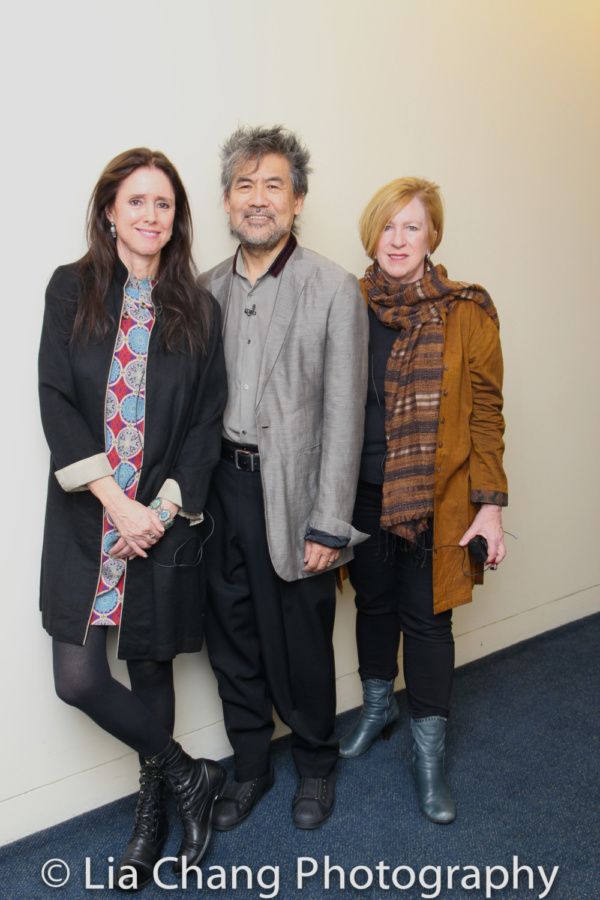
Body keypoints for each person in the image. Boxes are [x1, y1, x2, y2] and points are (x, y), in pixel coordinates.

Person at [38, 148, 227, 888]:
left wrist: (162, 508)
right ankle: (188, 776)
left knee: (149, 664)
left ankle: (151, 812)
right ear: (110, 211)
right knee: (79, 678)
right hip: (90, 516)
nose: (151, 216)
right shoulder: (70, 289)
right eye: (137, 201)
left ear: (176, 221)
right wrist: (115, 503)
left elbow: (207, 420)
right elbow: (55, 396)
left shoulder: (197, 309)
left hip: (161, 519)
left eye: (165, 205)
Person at [200, 125, 368, 830]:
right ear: (228, 201)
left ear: (298, 201)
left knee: (300, 646)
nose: (258, 198)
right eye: (245, 185)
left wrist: (330, 522)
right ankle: (248, 769)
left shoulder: (331, 288)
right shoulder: (203, 289)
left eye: (274, 185)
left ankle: (317, 767)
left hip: (296, 496)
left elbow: (344, 415)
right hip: (218, 492)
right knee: (231, 640)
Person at [339, 177, 508, 825]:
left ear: (432, 235)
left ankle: (428, 754)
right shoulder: (348, 304)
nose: (399, 239)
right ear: (371, 235)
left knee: (429, 619)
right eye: (388, 226)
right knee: (372, 603)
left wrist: (488, 504)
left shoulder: (468, 310)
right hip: (361, 492)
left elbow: (488, 413)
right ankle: (379, 708)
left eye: (412, 226)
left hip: (439, 498)